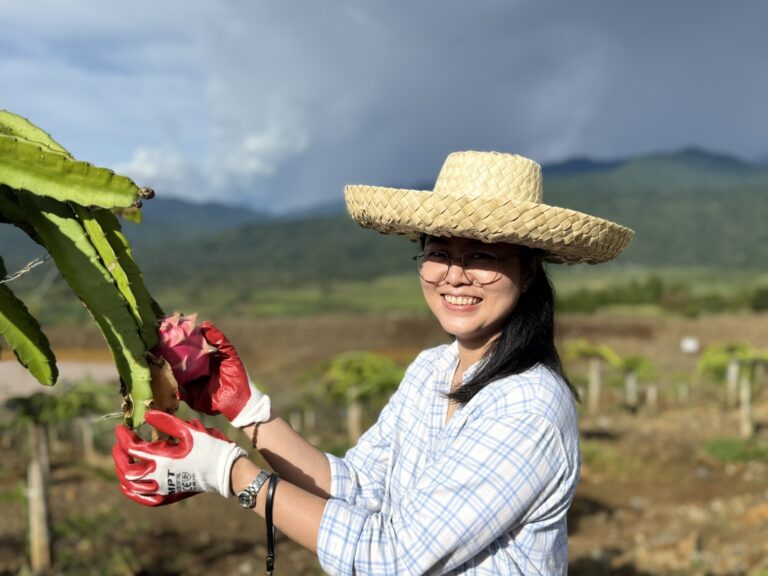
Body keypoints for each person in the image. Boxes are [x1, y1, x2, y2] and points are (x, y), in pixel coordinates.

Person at [113, 151, 633, 575]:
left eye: (482, 255)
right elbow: (356, 488)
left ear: (529, 269)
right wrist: (250, 412)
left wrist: (227, 472)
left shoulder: (529, 405)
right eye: (438, 250)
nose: (453, 275)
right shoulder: (432, 370)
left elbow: (394, 557)